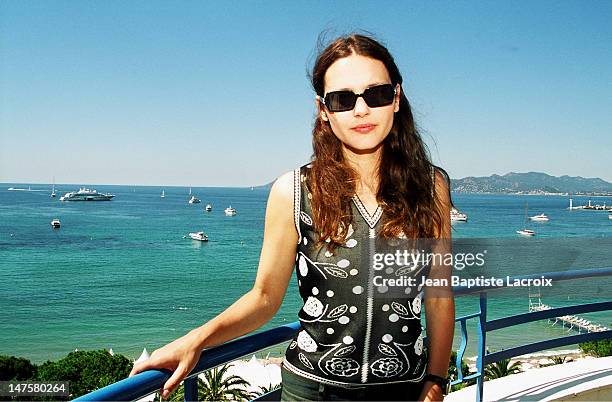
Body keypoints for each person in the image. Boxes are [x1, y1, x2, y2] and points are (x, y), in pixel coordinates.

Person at [130, 33, 455, 402]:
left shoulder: (431, 187)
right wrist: (196, 340)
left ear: (396, 99)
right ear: (324, 110)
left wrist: (437, 379)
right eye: (343, 99)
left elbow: (439, 296)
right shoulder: (295, 191)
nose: (361, 110)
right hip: (312, 392)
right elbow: (265, 297)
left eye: (376, 94)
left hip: (404, 391)